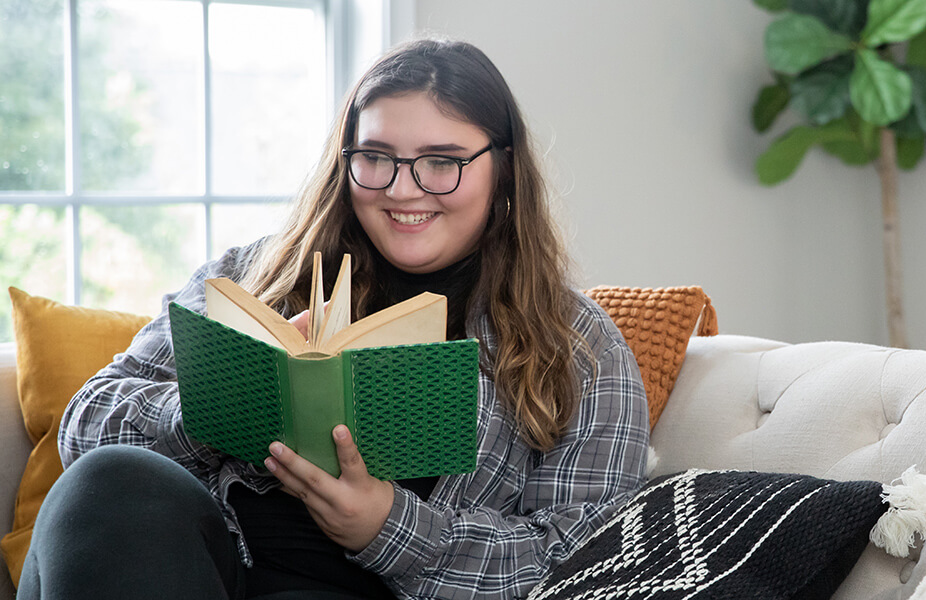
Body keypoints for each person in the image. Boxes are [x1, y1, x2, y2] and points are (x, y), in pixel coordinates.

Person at [18, 39, 649, 600]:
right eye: (375, 156)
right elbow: (86, 426)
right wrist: (219, 405)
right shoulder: (254, 275)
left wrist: (389, 527)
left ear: (502, 166)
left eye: (442, 161)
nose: (403, 189)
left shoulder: (577, 344)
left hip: (366, 586)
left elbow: (582, 561)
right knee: (108, 482)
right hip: (198, 567)